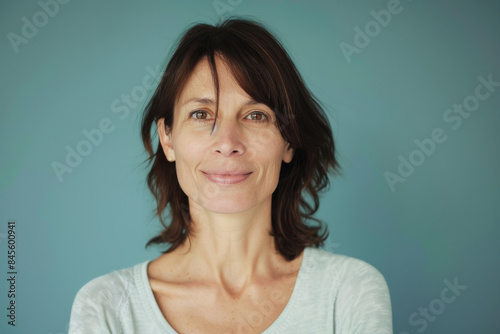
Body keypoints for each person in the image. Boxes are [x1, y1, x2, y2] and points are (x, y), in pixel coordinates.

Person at [69, 17, 392, 333]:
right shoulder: (108, 307)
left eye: (256, 115)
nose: (227, 143)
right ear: (167, 139)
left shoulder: (348, 292)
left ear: (289, 141)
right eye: (201, 114)